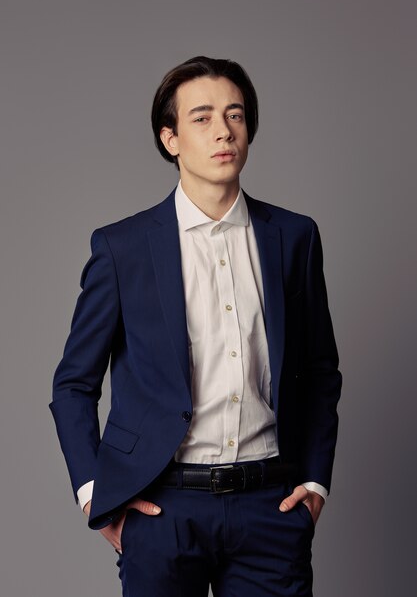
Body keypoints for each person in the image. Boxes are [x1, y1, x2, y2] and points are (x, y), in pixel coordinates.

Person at [50, 56, 342, 596]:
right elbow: (72, 385)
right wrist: (98, 497)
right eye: (202, 118)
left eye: (235, 115)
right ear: (171, 139)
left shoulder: (294, 237)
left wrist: (315, 482)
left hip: (271, 507)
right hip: (162, 509)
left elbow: (321, 370)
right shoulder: (123, 248)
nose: (223, 131)